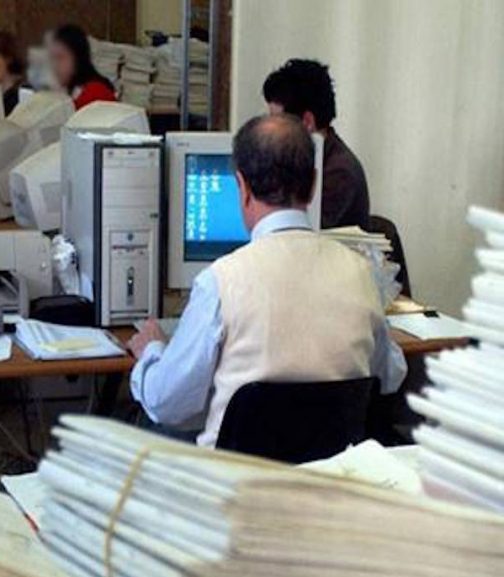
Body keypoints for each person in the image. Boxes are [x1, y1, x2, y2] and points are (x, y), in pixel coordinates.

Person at [126, 114, 406, 448]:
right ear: (314, 184)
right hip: (327, 475)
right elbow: (390, 375)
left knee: (145, 423)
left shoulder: (221, 282)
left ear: (242, 188)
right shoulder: (360, 273)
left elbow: (165, 403)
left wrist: (153, 349)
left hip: (234, 478)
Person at [263, 59, 370, 229]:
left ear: (307, 122)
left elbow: (299, 230)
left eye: (277, 121)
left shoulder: (339, 172)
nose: (271, 129)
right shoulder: (304, 159)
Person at [49, 24, 116, 110]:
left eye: (60, 58)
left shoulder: (96, 92)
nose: (54, 64)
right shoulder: (59, 90)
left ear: (77, 57)